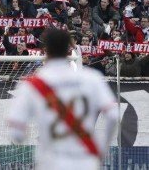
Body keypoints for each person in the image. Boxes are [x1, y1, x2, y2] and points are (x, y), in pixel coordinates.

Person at [7, 28, 118, 170]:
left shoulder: (32, 85)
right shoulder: (91, 78)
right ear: (69, 48)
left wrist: (21, 136)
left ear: (45, 50)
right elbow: (114, 115)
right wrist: (102, 148)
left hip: (51, 161)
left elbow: (16, 133)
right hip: (84, 161)